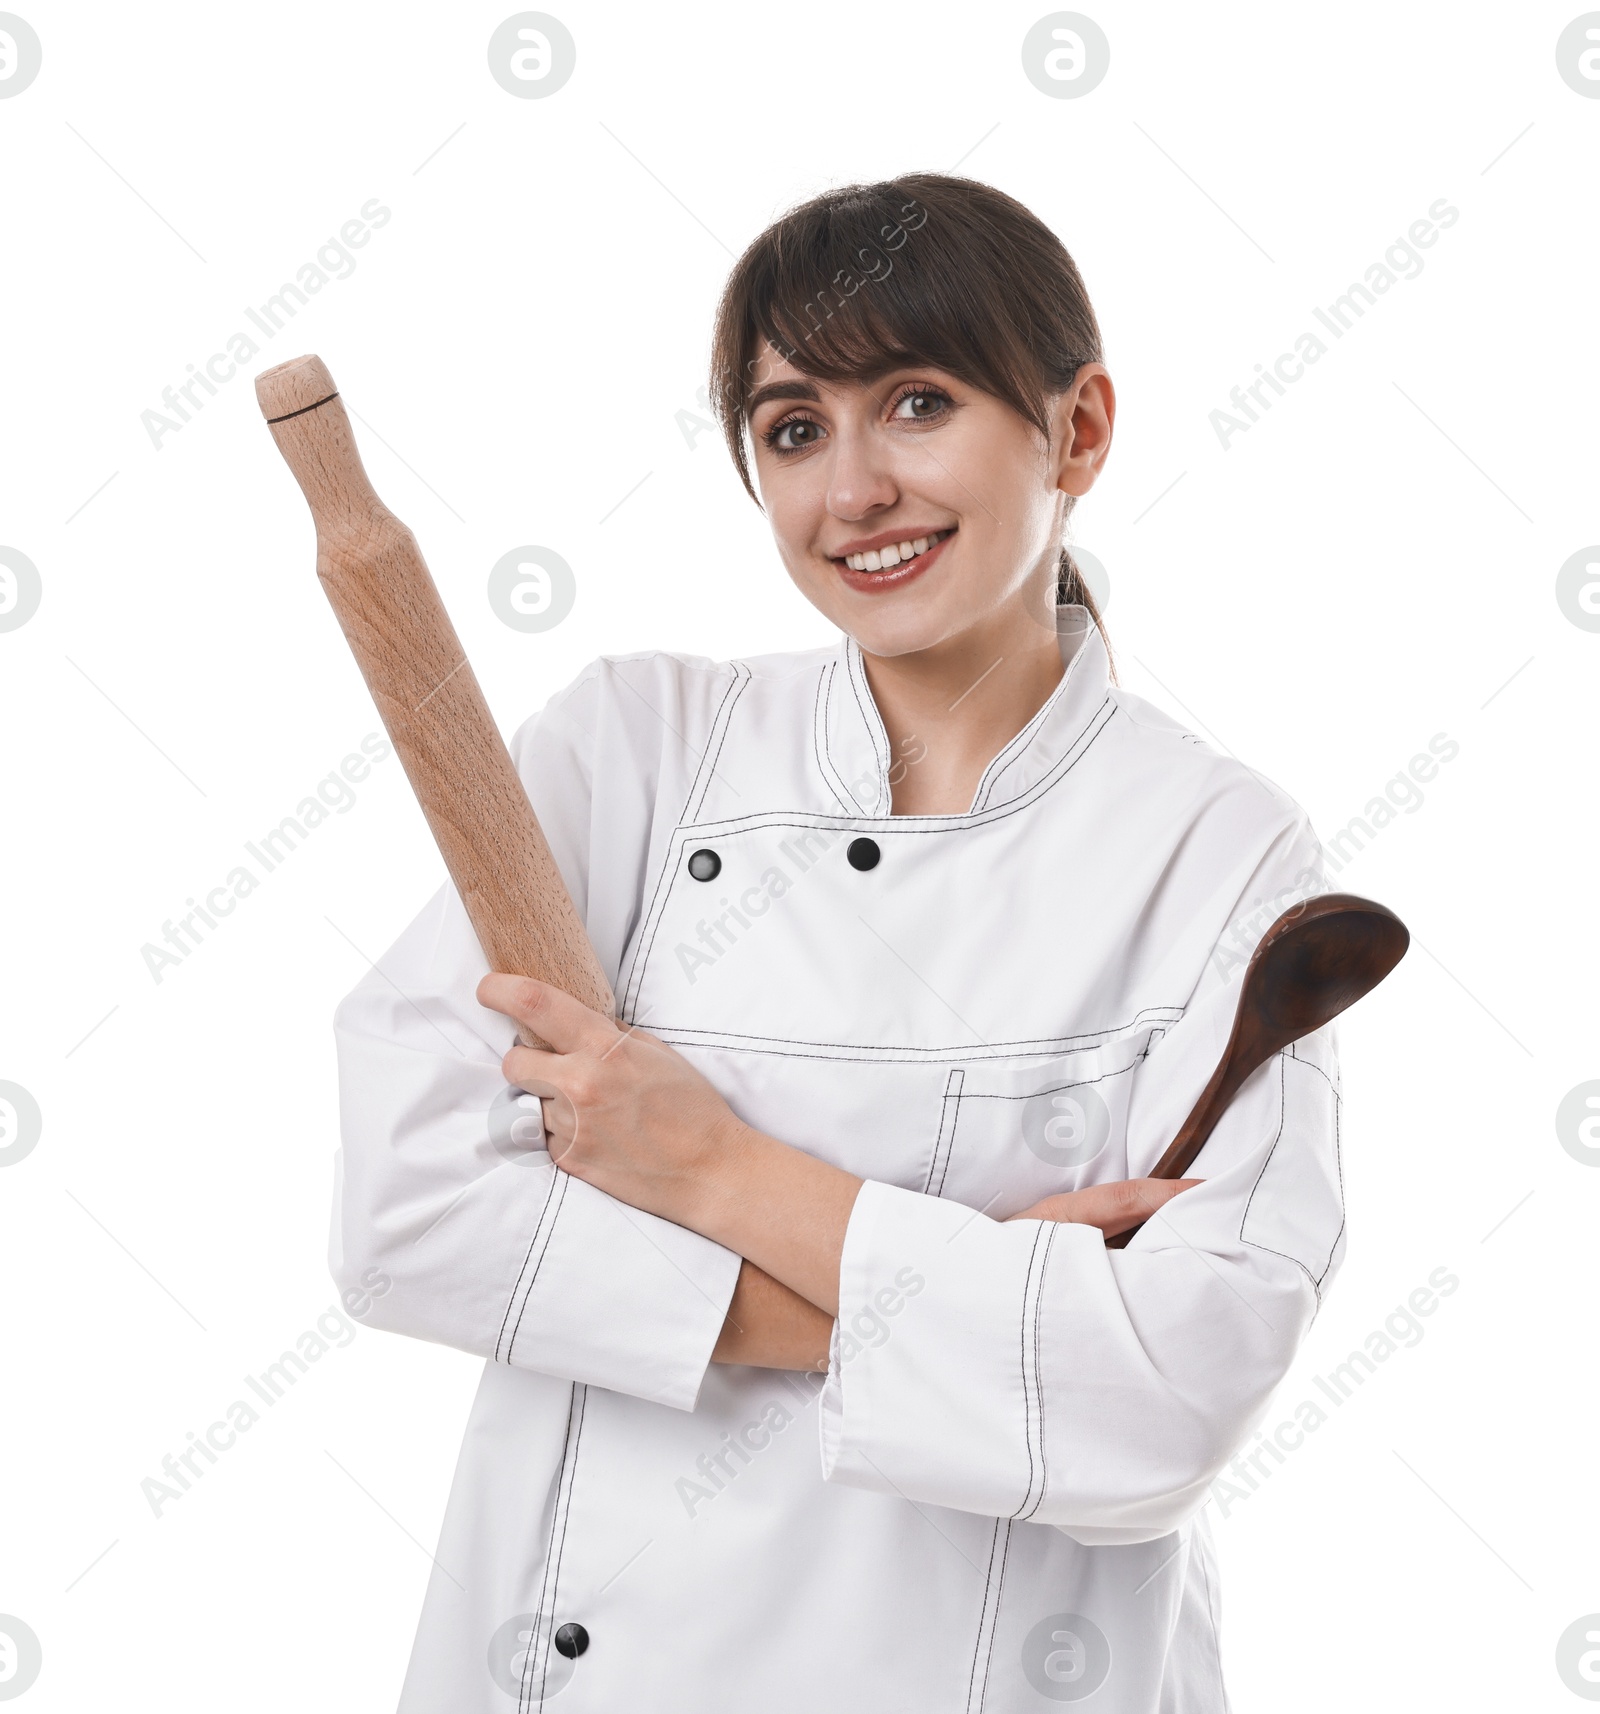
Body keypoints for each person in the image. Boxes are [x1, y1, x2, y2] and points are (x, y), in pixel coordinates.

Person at [330, 172, 1344, 1712]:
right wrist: (979, 1303)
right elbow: (405, 1212)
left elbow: (1165, 1400)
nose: (852, 490)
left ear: (1078, 430)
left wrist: (712, 1170)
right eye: (795, 427)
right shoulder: (635, 748)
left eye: (918, 403)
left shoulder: (1212, 847)